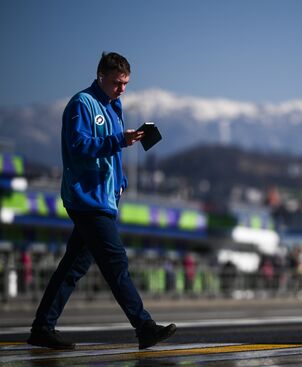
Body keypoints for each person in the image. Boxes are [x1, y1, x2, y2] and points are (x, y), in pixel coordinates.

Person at [27, 52, 176, 350]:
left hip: (103, 198)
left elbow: (112, 155)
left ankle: (42, 327)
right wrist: (119, 140)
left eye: (126, 84)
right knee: (115, 262)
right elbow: (79, 146)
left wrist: (120, 181)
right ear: (100, 77)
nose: (122, 89)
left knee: (73, 266)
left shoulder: (113, 106)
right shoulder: (82, 104)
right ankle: (144, 326)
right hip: (86, 199)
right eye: (117, 83)